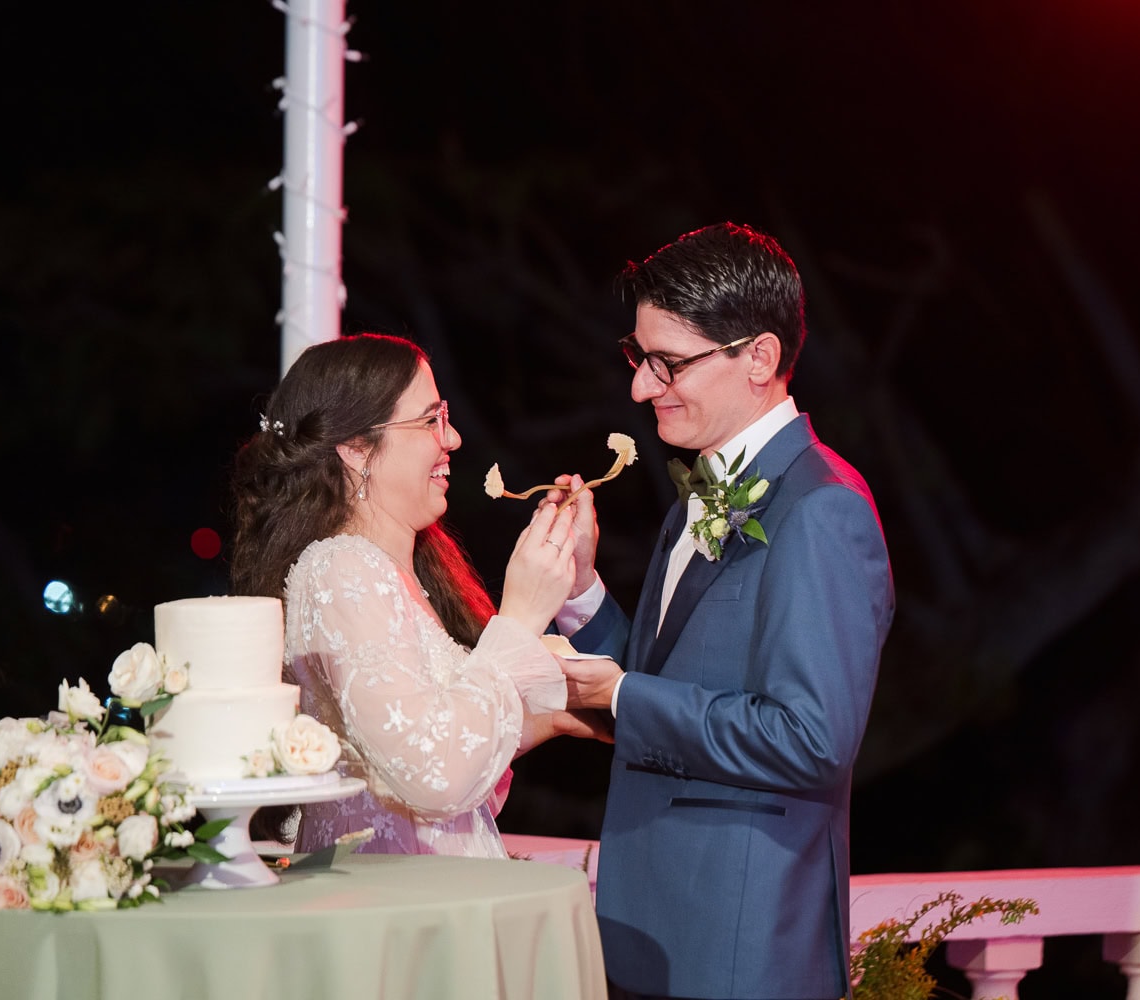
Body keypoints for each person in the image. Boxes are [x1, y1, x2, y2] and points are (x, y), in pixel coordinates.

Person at [552, 223, 895, 999]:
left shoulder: (821, 511)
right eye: (638, 358)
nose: (642, 386)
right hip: (655, 932)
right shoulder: (700, 495)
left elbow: (811, 740)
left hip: (739, 949)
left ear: (760, 358)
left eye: (668, 362)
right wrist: (581, 592)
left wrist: (619, 695)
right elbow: (665, 680)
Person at [229, 332, 606, 858]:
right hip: (400, 903)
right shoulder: (343, 569)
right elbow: (436, 775)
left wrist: (563, 713)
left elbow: (425, 739)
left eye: (445, 416)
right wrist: (521, 616)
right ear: (357, 449)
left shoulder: (401, 573)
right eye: (431, 420)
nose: (451, 440)